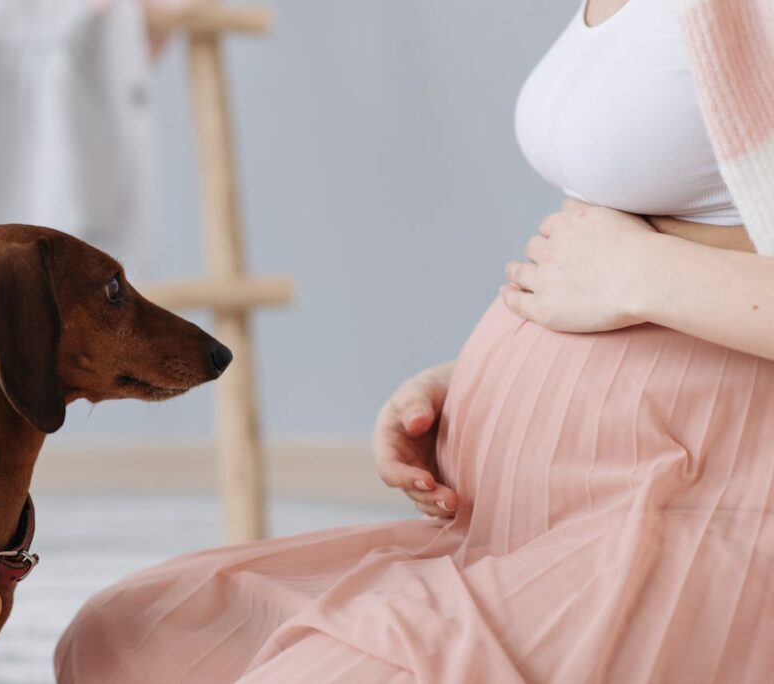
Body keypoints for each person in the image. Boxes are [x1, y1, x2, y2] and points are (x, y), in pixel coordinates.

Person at [55, 0, 774, 680]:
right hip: (510, 516)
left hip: (691, 508)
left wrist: (642, 275)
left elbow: (636, 264)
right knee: (118, 643)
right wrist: (471, 383)